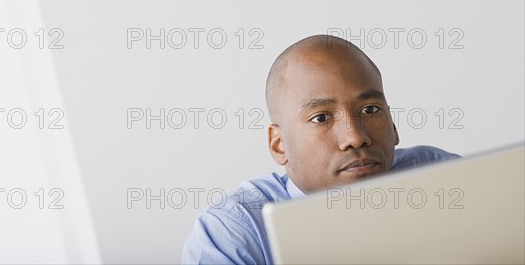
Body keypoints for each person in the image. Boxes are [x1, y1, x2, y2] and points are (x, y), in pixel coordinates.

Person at [181, 35, 460, 264]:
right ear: (279, 145)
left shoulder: (445, 178)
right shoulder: (234, 230)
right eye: (321, 118)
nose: (355, 137)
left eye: (370, 109)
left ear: (394, 126)